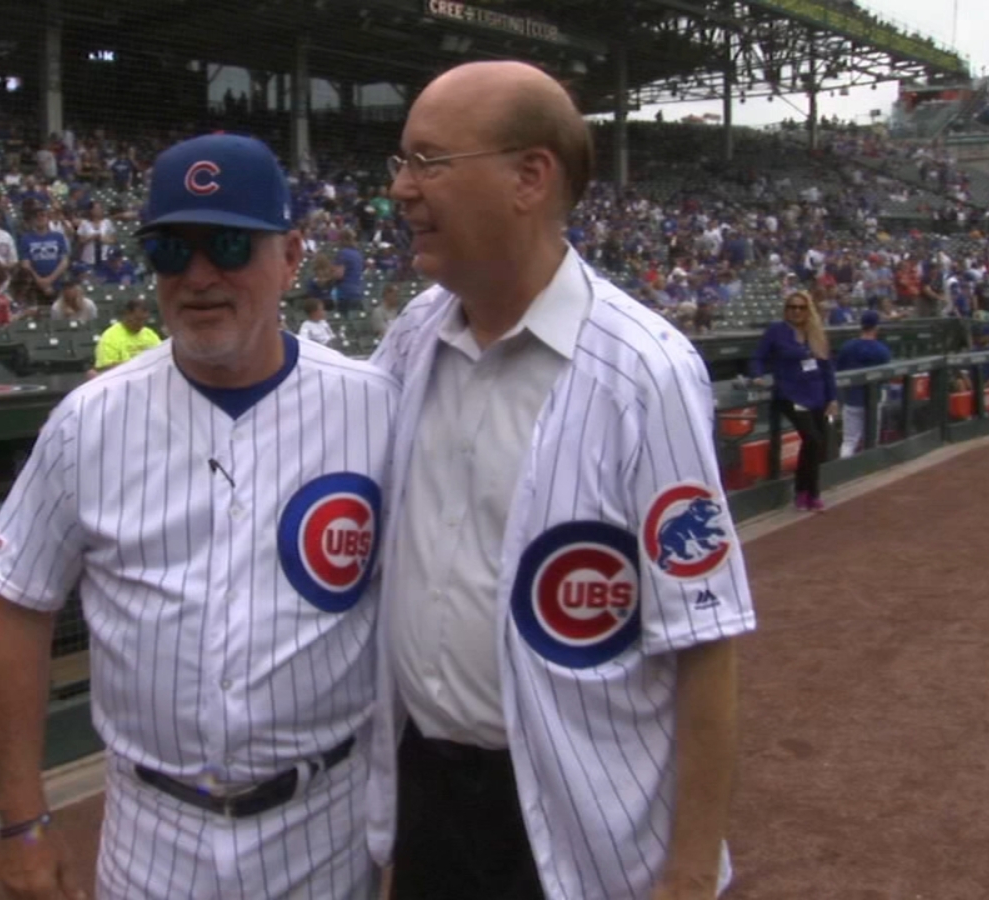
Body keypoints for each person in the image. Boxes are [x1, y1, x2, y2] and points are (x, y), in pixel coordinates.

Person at [0, 132, 394, 900]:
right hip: (149, 833)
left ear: (292, 256)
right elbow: (19, 607)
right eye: (172, 251)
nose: (199, 277)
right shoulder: (87, 420)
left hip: (326, 824)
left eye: (229, 244)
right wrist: (22, 818)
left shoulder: (375, 407)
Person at [368, 61, 754, 900]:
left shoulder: (647, 372)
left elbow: (707, 636)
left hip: (585, 818)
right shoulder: (409, 336)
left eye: (428, 162)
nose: (401, 188)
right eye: (400, 162)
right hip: (428, 793)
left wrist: (689, 872)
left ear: (529, 177)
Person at [751, 289, 837, 511]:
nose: (796, 311)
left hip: (817, 393)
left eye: (801, 307)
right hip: (790, 393)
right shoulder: (776, 332)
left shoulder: (816, 333)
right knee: (812, 439)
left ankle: (808, 493)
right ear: (786, 310)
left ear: (808, 310)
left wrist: (833, 398)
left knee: (817, 444)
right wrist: (758, 375)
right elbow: (758, 356)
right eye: (792, 307)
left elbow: (827, 369)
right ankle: (806, 491)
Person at [834, 310, 891, 458]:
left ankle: (844, 474)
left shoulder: (848, 346)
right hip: (873, 401)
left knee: (849, 442)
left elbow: (838, 371)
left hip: (851, 401)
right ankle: (870, 474)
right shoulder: (882, 350)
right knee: (871, 441)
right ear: (876, 327)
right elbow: (886, 379)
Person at [90, 296, 160, 376]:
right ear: (127, 314)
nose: (141, 324)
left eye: (144, 320)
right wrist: (137, 365)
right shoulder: (110, 336)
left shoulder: (150, 334)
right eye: (138, 319)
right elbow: (104, 368)